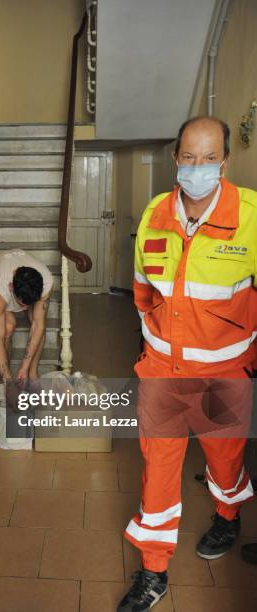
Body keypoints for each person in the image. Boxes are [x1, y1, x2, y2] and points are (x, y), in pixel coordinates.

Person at [118, 116, 257, 611]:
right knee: (158, 472)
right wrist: (155, 340)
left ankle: (227, 514)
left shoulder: (251, 215)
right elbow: (141, 288)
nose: (198, 168)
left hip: (225, 375)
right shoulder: (156, 213)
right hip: (162, 372)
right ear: (176, 159)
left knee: (225, 460)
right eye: (189, 158)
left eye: (210, 157)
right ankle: (153, 572)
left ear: (225, 161)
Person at [0, 249, 53, 386]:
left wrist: (25, 366)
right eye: (22, 304)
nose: (24, 308)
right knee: (9, 325)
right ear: (11, 287)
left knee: (38, 323)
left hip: (16, 270)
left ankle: (32, 372)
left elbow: (38, 326)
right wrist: (8, 382)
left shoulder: (46, 280)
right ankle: (5, 378)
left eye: (29, 304)